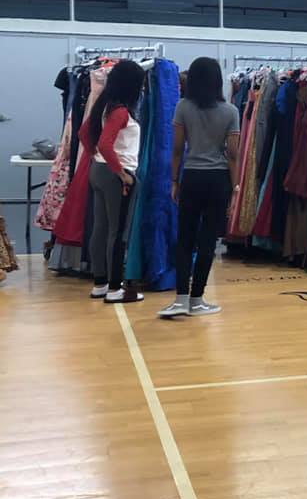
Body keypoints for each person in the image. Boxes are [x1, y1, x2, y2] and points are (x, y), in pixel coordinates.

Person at [158, 57, 240, 318]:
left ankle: (181, 299)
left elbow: (177, 150)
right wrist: (236, 187)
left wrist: (174, 180)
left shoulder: (183, 106)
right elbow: (233, 155)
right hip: (218, 180)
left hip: (192, 177)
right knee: (207, 241)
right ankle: (198, 300)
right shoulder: (231, 112)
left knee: (185, 239)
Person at [80, 59, 146, 303]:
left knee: (100, 228)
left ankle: (100, 283)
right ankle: (115, 288)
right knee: (117, 232)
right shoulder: (121, 111)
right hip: (116, 173)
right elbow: (105, 144)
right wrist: (122, 174)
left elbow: (84, 133)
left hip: (99, 170)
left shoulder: (104, 105)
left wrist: (94, 157)